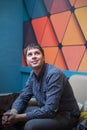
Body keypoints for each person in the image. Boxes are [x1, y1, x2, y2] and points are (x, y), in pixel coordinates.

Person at [2, 43, 80, 130]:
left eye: (37, 53)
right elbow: (23, 97)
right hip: (46, 109)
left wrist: (18, 117)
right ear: (27, 61)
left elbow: (50, 110)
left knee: (30, 126)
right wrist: (13, 112)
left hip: (66, 115)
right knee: (9, 115)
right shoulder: (33, 74)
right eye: (30, 54)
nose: (33, 56)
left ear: (43, 58)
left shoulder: (54, 75)